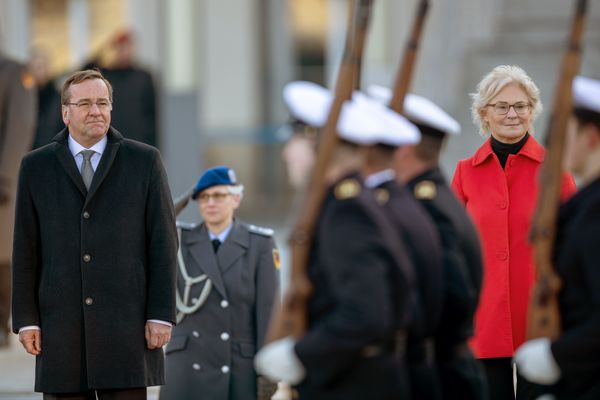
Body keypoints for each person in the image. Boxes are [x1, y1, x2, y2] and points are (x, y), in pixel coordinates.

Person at [11, 69, 177, 399]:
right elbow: (25, 249)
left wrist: (161, 314)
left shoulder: (144, 161)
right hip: (61, 331)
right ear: (65, 112)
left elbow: (163, 244)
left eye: (103, 102)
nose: (95, 111)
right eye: (85, 103)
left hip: (127, 328)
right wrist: (27, 319)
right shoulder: (36, 166)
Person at [255, 91, 418, 399]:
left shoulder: (347, 212)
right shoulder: (350, 203)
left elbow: (366, 312)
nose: (286, 154)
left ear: (318, 144)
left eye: (294, 142)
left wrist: (302, 354)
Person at [450, 65, 576, 400]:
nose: (512, 114)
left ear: (532, 111)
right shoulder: (464, 173)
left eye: (521, 105)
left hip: (540, 316)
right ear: (484, 114)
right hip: (484, 319)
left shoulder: (555, 173)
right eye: (501, 106)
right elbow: (452, 249)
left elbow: (574, 247)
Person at [368, 84, 488, 400]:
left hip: (438, 377)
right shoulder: (431, 199)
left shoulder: (427, 209)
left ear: (404, 148)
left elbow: (454, 297)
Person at [160, 165, 280, 400]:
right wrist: (178, 203)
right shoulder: (179, 239)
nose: (210, 203)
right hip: (186, 368)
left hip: (237, 369)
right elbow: (144, 226)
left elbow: (268, 312)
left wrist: (269, 372)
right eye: (203, 197)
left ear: (236, 199)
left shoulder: (259, 243)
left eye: (218, 196)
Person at [514, 76, 600, 400]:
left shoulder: (595, 211)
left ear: (590, 137)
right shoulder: (585, 203)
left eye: (567, 131)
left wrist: (558, 356)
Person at [0, 51, 37, 347]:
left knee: (2, 253)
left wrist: (7, 176)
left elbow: (19, 124)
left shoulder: (14, 71)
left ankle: (1, 323)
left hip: (2, 181)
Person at [86, 30, 158, 147]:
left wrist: (152, 145)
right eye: (120, 48)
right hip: (110, 141)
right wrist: (102, 50)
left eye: (127, 47)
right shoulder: (105, 75)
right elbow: (85, 71)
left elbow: (151, 115)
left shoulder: (143, 76)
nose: (124, 52)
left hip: (136, 142)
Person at [29, 49, 64, 149]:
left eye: (40, 67)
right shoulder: (27, 96)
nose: (36, 71)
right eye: (33, 67)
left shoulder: (58, 97)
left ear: (48, 68)